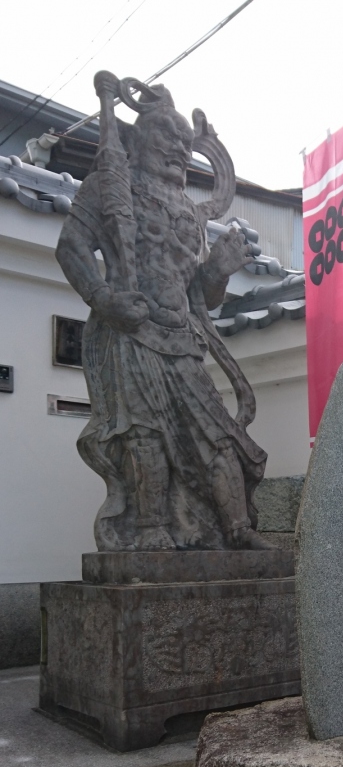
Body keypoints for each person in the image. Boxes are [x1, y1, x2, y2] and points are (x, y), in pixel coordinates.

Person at [56, 71, 271, 552]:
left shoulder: (190, 213)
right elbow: (71, 246)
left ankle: (236, 528)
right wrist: (103, 298)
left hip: (182, 338)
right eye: (167, 136)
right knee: (143, 434)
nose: (178, 148)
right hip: (131, 331)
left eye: (184, 141)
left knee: (219, 436)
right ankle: (149, 528)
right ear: (136, 139)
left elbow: (201, 297)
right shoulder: (109, 185)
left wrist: (217, 272)